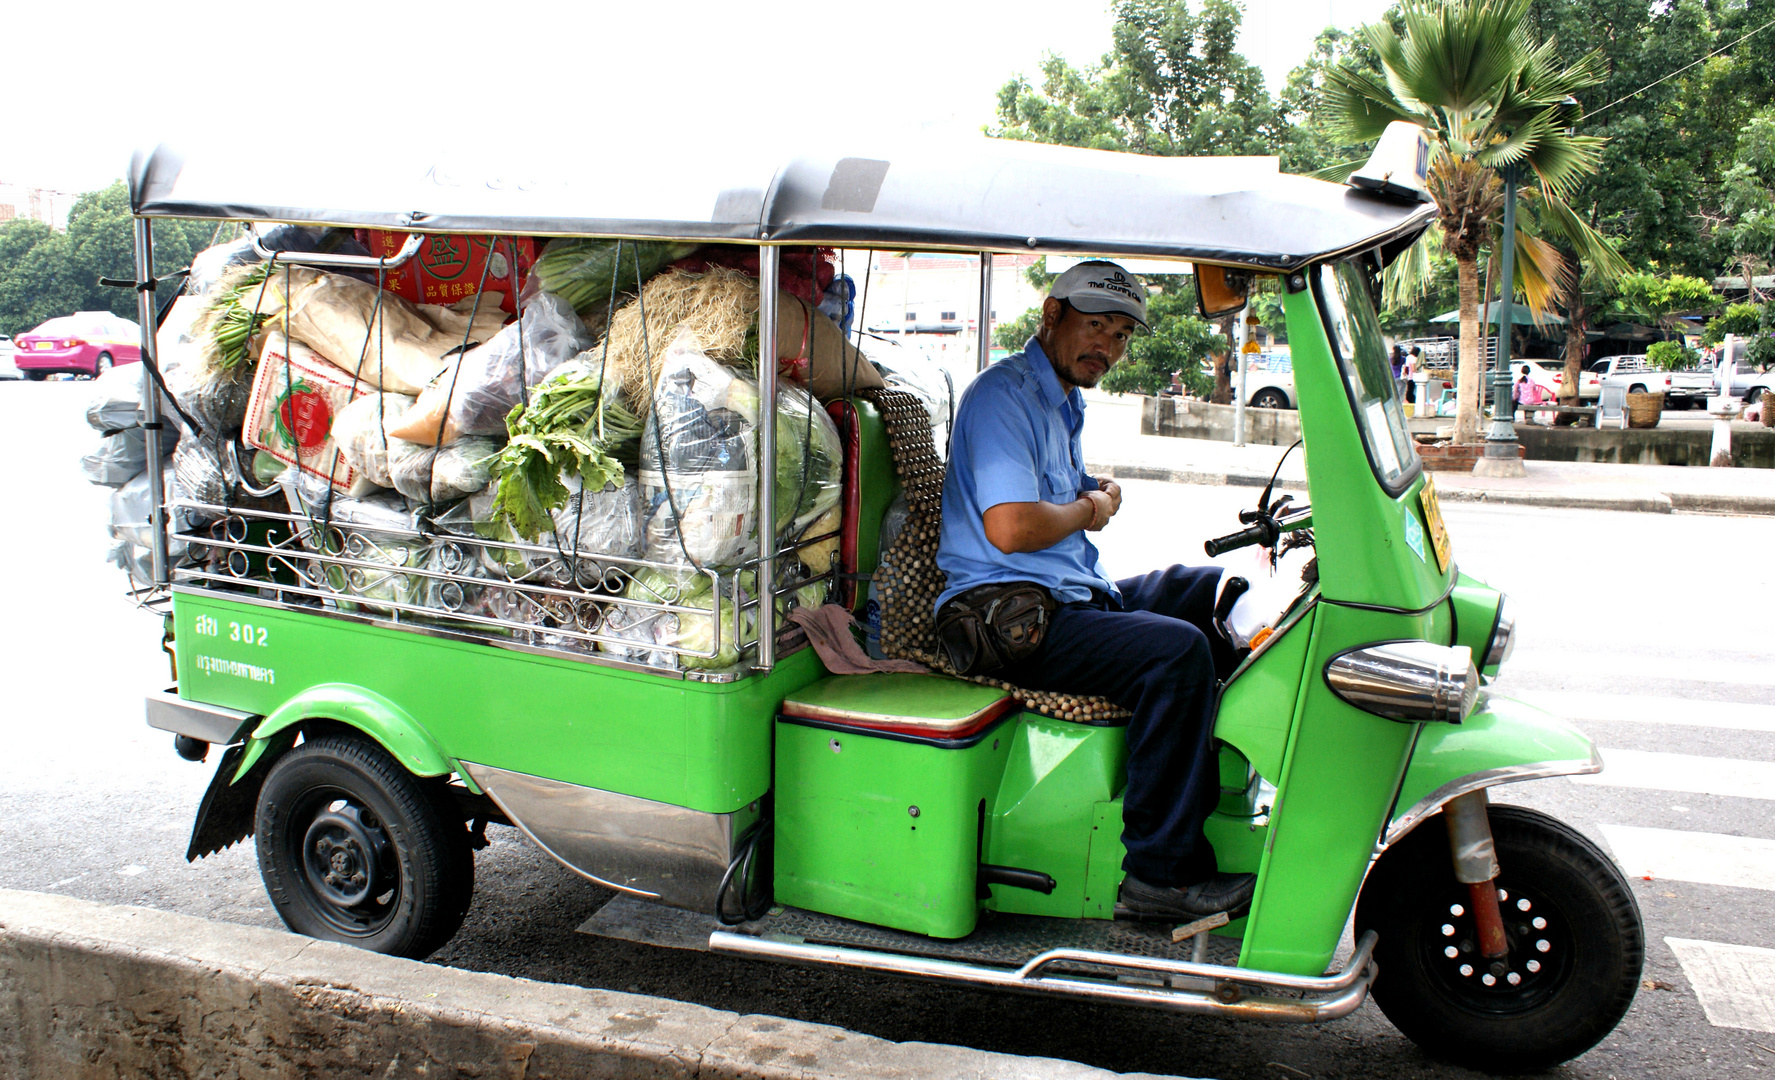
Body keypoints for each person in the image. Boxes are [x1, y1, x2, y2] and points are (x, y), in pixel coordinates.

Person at [934, 260, 1256, 921]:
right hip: (1006, 617)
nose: (1104, 347)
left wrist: (1096, 493)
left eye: (1118, 336)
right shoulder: (1004, 397)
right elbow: (1013, 525)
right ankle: (1158, 876)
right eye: (1094, 327)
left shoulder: (1059, 399)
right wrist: (1090, 509)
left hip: (1068, 594)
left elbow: (1068, 489)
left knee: (1209, 592)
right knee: (1173, 654)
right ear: (1051, 316)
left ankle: (1199, 792)